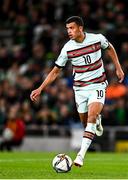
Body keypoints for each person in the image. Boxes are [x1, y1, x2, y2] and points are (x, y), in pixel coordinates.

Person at [30, 16, 124, 167]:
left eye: (72, 28)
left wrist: (118, 68)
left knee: (91, 117)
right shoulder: (67, 48)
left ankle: (80, 155)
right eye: (67, 29)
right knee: (85, 122)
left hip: (97, 85)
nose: (69, 31)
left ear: (80, 28)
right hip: (80, 89)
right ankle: (97, 120)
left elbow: (110, 48)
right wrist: (40, 88)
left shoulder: (97, 39)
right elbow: (55, 72)